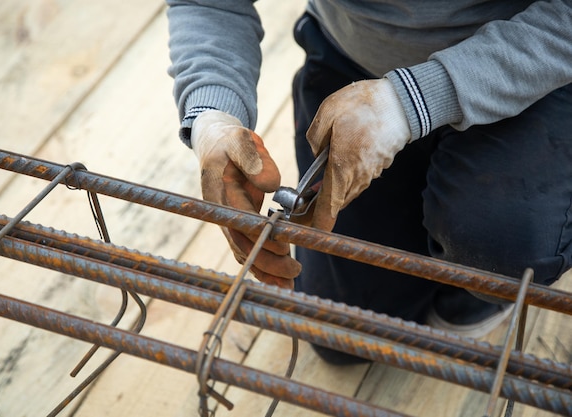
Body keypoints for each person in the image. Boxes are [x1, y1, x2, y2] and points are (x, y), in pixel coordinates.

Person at [166, 0, 572, 364]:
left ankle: (479, 286)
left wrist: (414, 101)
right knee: (343, 336)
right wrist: (211, 116)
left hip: (532, 72)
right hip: (355, 62)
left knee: (496, 245)